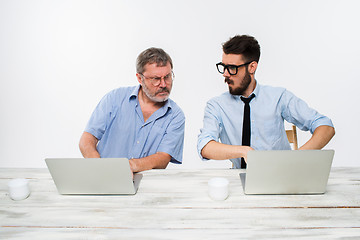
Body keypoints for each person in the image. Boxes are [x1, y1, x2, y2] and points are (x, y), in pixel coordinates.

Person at [197, 35, 335, 169]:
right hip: (240, 180)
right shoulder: (216, 105)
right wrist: (243, 151)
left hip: (281, 176)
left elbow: (325, 126)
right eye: (223, 66)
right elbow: (205, 146)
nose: (225, 74)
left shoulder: (279, 97)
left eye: (232, 68)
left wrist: (296, 160)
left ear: (252, 67)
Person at [79, 47, 185, 173]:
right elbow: (87, 139)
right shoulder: (115, 99)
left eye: (167, 77)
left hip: (146, 187)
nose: (163, 84)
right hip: (103, 181)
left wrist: (128, 167)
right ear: (140, 78)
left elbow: (163, 158)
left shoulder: (176, 115)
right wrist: (100, 167)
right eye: (156, 79)